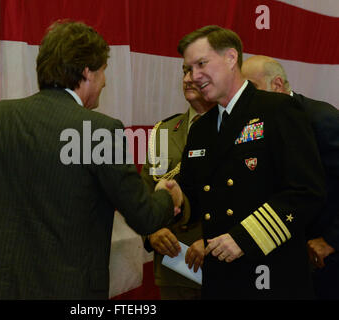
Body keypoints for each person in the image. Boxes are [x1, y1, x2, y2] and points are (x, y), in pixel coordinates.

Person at [0, 20, 183, 300]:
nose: (105, 82)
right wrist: (167, 197)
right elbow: (144, 216)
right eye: (103, 72)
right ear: (87, 72)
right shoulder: (99, 131)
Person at [178, 25, 326, 299]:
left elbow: (307, 191)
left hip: (271, 273)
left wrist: (245, 237)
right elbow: (195, 197)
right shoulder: (201, 129)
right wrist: (177, 197)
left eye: (201, 64)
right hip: (220, 278)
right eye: (188, 68)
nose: (193, 76)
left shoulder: (277, 109)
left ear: (231, 58)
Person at [242, 55, 339, 299]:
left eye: (250, 88)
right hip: (280, 255)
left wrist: (331, 239)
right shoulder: (253, 125)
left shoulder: (322, 119)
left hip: (324, 260)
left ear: (276, 85)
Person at [141, 67, 215, 299]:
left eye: (197, 71)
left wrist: (214, 241)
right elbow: (146, 191)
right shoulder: (164, 131)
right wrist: (152, 231)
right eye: (185, 71)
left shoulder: (239, 128)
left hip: (225, 259)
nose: (187, 79)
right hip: (176, 264)